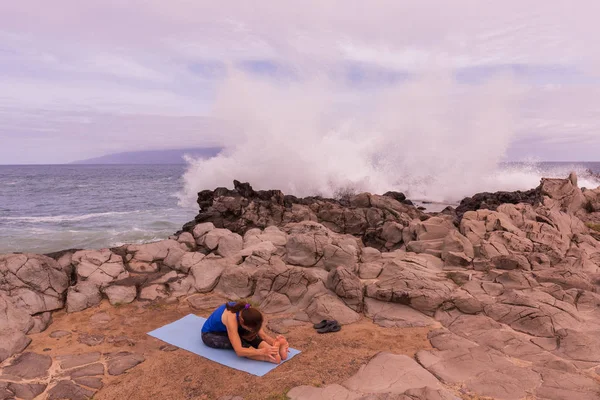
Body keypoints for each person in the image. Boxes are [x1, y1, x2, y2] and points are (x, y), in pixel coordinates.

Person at [201, 301, 289, 363]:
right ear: (242, 321)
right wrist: (262, 351)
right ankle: (271, 358)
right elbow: (239, 351)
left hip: (236, 326)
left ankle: (276, 349)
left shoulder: (248, 311)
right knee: (243, 344)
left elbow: (262, 335)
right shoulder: (231, 319)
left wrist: (274, 342)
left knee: (251, 335)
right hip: (210, 334)